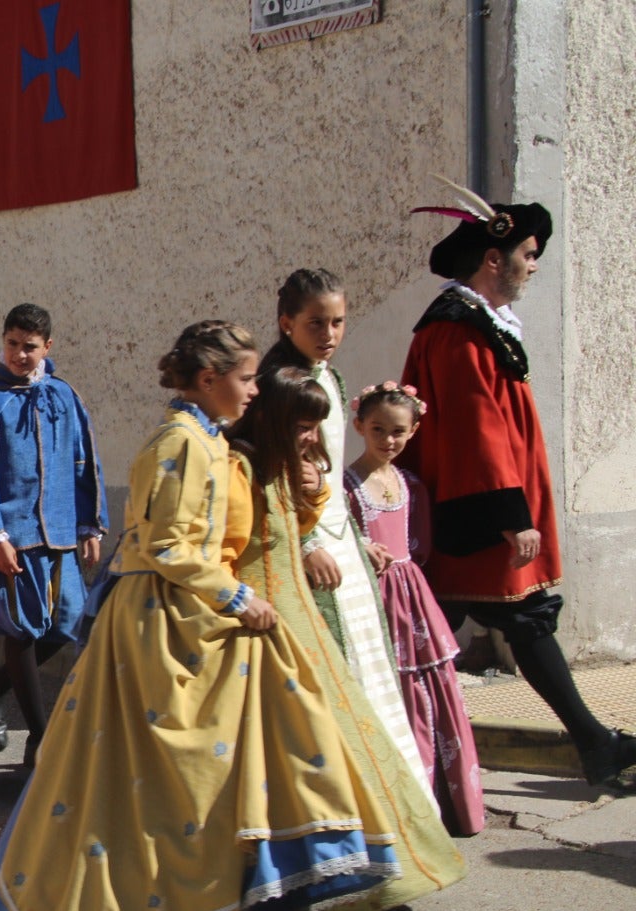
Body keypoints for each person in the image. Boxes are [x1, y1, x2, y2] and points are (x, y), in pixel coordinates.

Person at [0, 322, 398, 911]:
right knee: (167, 779)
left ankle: (246, 894)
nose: (255, 390)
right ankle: (171, 910)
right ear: (208, 380)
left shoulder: (209, 440)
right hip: (162, 624)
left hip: (188, 615)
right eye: (246, 378)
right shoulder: (183, 442)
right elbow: (171, 547)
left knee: (245, 751)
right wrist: (234, 600)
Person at [401, 195, 636, 788]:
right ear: (492, 259)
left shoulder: (476, 323)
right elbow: (476, 426)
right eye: (528, 255)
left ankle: (595, 744)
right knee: (495, 620)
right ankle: (593, 744)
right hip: (474, 509)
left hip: (479, 506)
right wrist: (509, 513)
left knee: (481, 621)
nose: (534, 266)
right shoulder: (459, 331)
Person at [228, 365, 465, 911]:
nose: (312, 438)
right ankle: (288, 888)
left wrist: (309, 501)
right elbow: (227, 544)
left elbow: (295, 528)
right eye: (303, 426)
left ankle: (353, 873)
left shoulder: (290, 465)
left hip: (299, 617)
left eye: (317, 428)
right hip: (258, 620)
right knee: (284, 755)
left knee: (333, 740)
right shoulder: (238, 464)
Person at [257, 270, 432, 799]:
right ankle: (343, 802)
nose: (329, 333)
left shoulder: (330, 377)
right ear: (287, 323)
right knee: (330, 668)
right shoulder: (280, 384)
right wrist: (306, 544)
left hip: (340, 536)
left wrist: (355, 535)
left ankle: (391, 800)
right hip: (302, 541)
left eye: (338, 322)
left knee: (369, 661)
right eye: (316, 323)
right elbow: (274, 472)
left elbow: (327, 472)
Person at [0, 303, 106, 759]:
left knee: (66, 623)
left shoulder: (63, 395)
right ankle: (39, 736)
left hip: (60, 537)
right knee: (23, 631)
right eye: (12, 344)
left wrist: (90, 524)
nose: (19, 354)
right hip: (12, 540)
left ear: (47, 347)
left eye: (29, 347)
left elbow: (82, 459)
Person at [345, 382, 485, 835]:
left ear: (414, 430)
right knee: (392, 688)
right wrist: (360, 547)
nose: (388, 440)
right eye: (378, 429)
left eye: (398, 432)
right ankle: (407, 805)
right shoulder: (347, 487)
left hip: (413, 597)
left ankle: (449, 801)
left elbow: (417, 548)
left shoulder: (411, 485)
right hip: (375, 600)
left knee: (432, 687)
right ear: (358, 426)